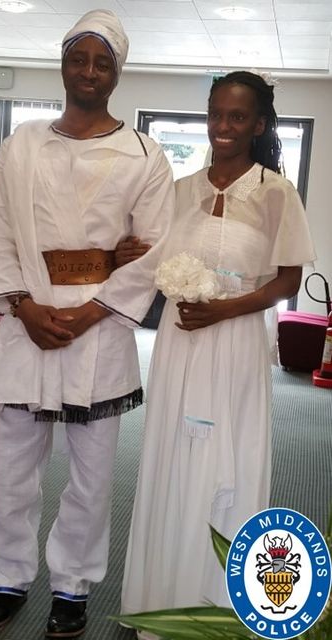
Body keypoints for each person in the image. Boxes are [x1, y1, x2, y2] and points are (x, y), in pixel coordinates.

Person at [0, 9, 174, 638]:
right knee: (12, 467)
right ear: (64, 64)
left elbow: (155, 248)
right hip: (24, 325)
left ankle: (72, 586)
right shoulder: (22, 143)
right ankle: (5, 577)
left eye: (103, 61)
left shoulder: (146, 154)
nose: (89, 71)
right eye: (79, 58)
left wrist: (88, 311)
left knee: (90, 476)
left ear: (118, 72)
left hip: (100, 333)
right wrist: (26, 308)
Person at [119, 71, 316, 639]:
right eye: (214, 115)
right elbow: (153, 259)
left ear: (258, 124)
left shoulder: (276, 193)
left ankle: (217, 603)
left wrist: (225, 310)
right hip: (182, 341)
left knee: (230, 453)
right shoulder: (179, 191)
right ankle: (160, 596)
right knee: (173, 453)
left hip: (237, 341)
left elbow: (286, 282)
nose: (222, 128)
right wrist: (136, 254)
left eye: (236, 117)